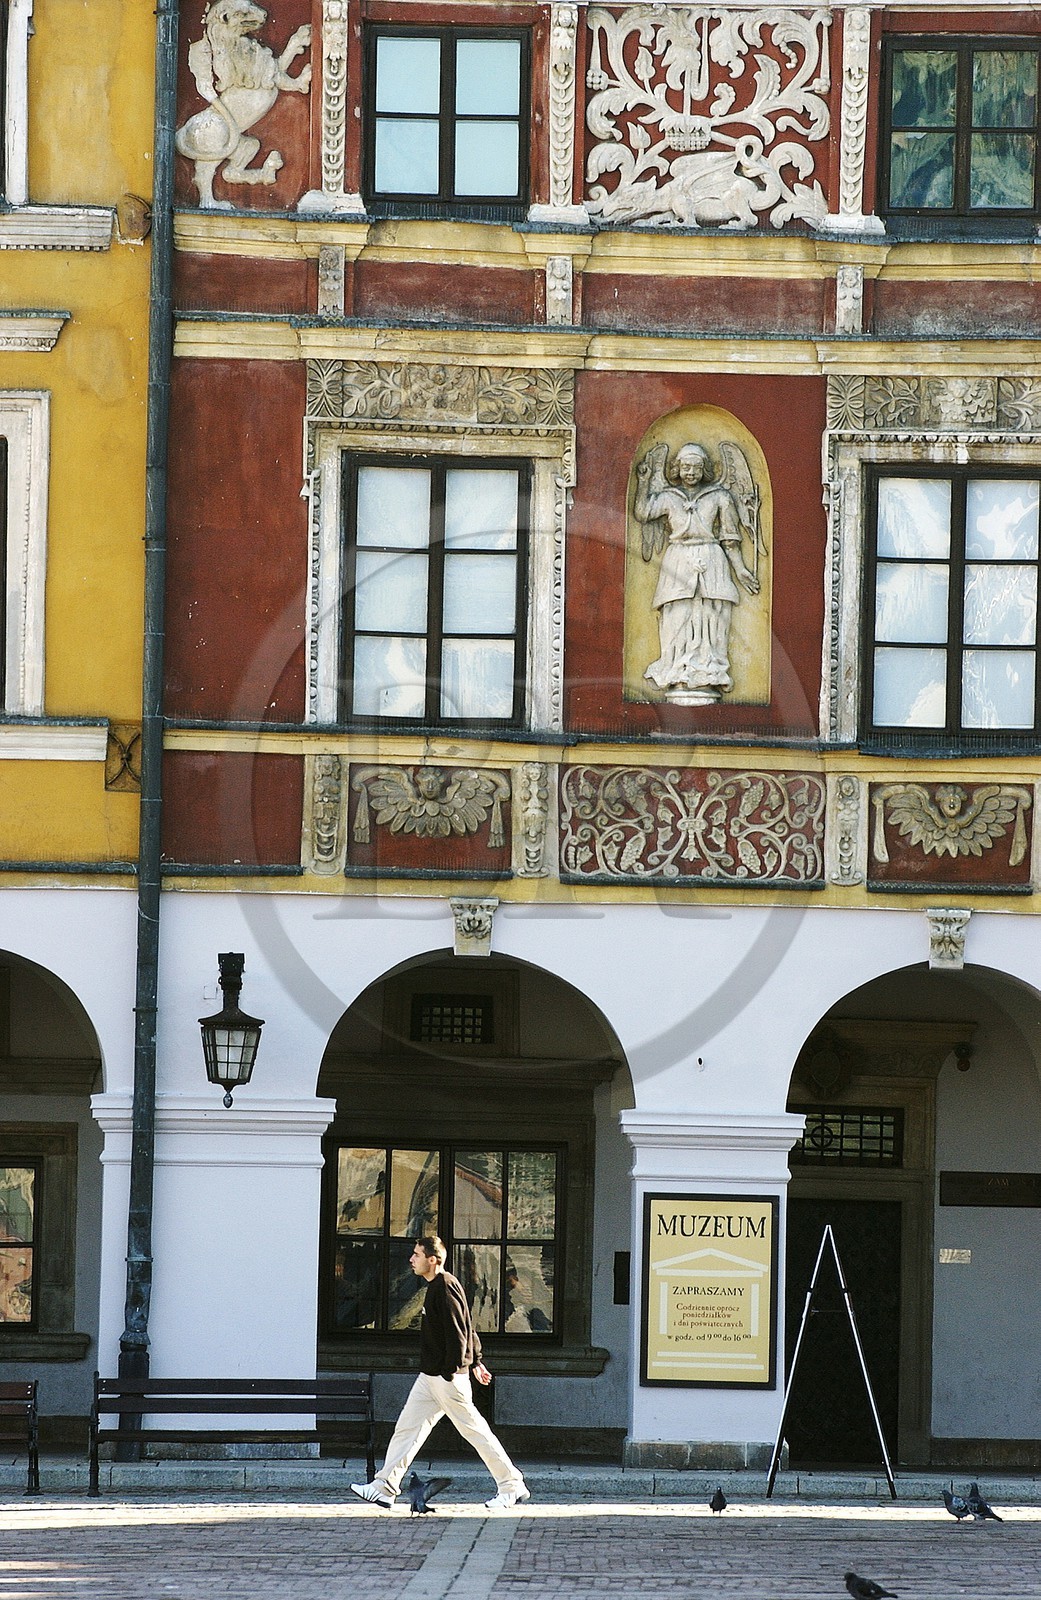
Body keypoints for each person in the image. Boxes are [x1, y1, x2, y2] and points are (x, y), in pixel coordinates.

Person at [350, 1236, 529, 1512]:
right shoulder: (437, 1286)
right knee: (407, 1429)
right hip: (431, 1377)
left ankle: (511, 1485)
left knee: (476, 1432)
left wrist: (454, 1369)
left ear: (433, 1260)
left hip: (446, 1378)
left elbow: (460, 1330)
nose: (412, 1259)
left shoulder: (444, 1286)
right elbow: (468, 1326)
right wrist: (476, 1361)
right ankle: (384, 1487)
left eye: (417, 1254)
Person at [635, 441, 760, 698]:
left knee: (713, 615)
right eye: (685, 467)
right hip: (678, 557)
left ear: (704, 470)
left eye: (695, 467)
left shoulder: (720, 497)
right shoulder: (669, 497)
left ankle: (709, 672)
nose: (690, 472)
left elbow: (730, 538)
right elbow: (643, 512)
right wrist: (644, 481)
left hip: (711, 557)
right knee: (676, 614)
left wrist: (740, 570)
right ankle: (676, 670)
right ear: (677, 469)